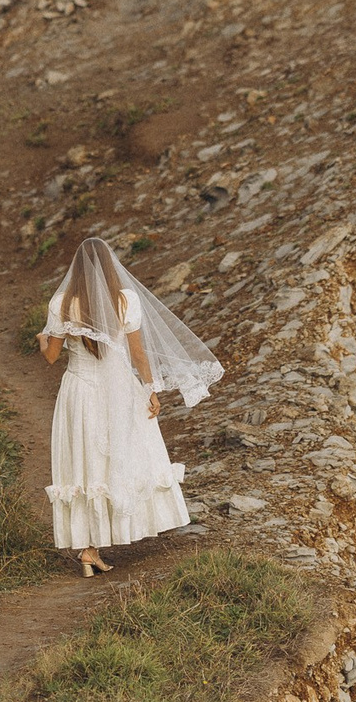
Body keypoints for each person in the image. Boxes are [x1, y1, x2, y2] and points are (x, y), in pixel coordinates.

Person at [36, 237, 224, 576]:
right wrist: (151, 390)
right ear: (110, 268)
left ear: (75, 270)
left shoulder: (61, 303)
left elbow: (51, 357)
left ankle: (88, 547)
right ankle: (103, 542)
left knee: (85, 462)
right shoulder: (125, 300)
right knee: (122, 457)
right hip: (119, 388)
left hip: (79, 390)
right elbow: (138, 355)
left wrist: (41, 340)